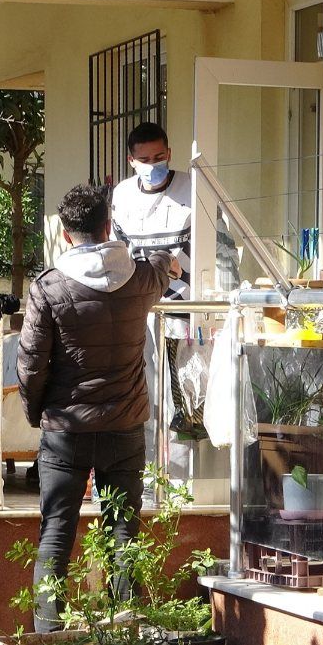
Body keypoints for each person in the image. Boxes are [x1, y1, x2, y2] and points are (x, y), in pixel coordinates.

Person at [16, 184, 172, 633]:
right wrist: (166, 259)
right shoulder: (140, 279)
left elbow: (30, 364)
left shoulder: (48, 286)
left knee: (56, 532)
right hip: (126, 425)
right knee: (124, 533)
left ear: (66, 235)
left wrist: (37, 414)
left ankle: (49, 635)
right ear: (108, 227)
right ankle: (127, 632)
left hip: (66, 429)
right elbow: (161, 270)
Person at [110, 122, 191, 436]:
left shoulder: (192, 189)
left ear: (169, 153)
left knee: (183, 397)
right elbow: (118, 251)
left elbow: (219, 251)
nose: (153, 165)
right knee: (144, 392)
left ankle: (180, 465)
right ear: (131, 161)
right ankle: (146, 461)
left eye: (159, 157)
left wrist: (183, 270)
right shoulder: (122, 196)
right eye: (144, 160)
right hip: (139, 311)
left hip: (185, 310)